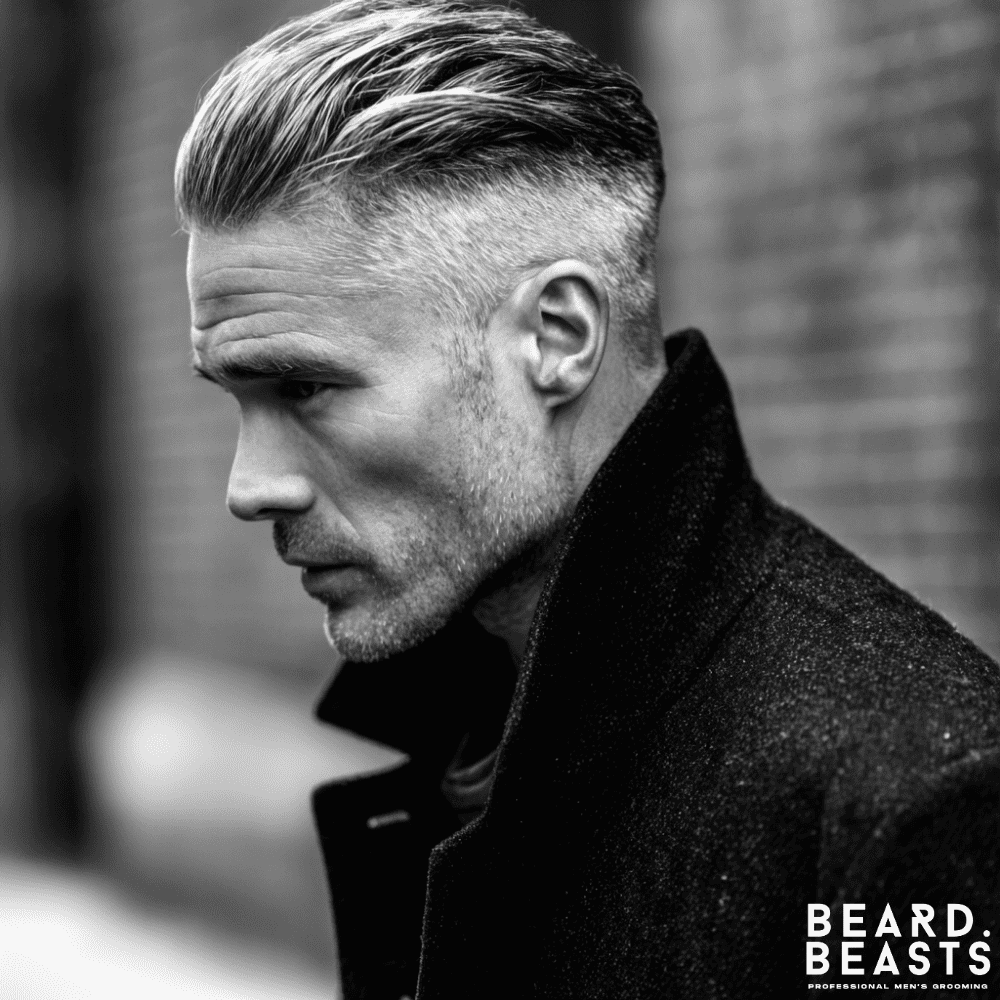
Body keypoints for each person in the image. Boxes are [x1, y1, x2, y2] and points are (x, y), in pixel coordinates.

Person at [175, 2, 1000, 997]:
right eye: (236, 399)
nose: (248, 487)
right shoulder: (466, 721)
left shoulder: (904, 803)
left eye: (304, 388)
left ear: (556, 339)